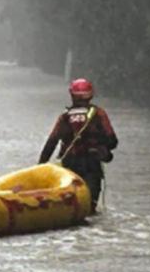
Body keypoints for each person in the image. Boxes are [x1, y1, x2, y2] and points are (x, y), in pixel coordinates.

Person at [38, 78, 117, 213]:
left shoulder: (65, 116)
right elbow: (112, 140)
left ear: (72, 95)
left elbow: (52, 142)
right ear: (90, 95)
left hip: (70, 164)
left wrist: (41, 166)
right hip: (91, 164)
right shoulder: (98, 114)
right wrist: (101, 147)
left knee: (69, 203)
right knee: (89, 206)